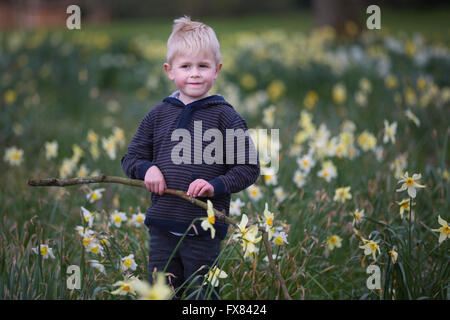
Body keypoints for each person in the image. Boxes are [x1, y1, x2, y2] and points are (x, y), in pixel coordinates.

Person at [121, 16, 260, 299]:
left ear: (217, 70)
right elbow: (131, 158)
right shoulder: (157, 115)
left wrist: (215, 186)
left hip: (204, 228)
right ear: (169, 70)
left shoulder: (226, 116)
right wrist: (147, 170)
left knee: (202, 293)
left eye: (203, 66)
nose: (195, 73)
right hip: (162, 226)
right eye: (186, 66)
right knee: (162, 292)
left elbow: (248, 167)